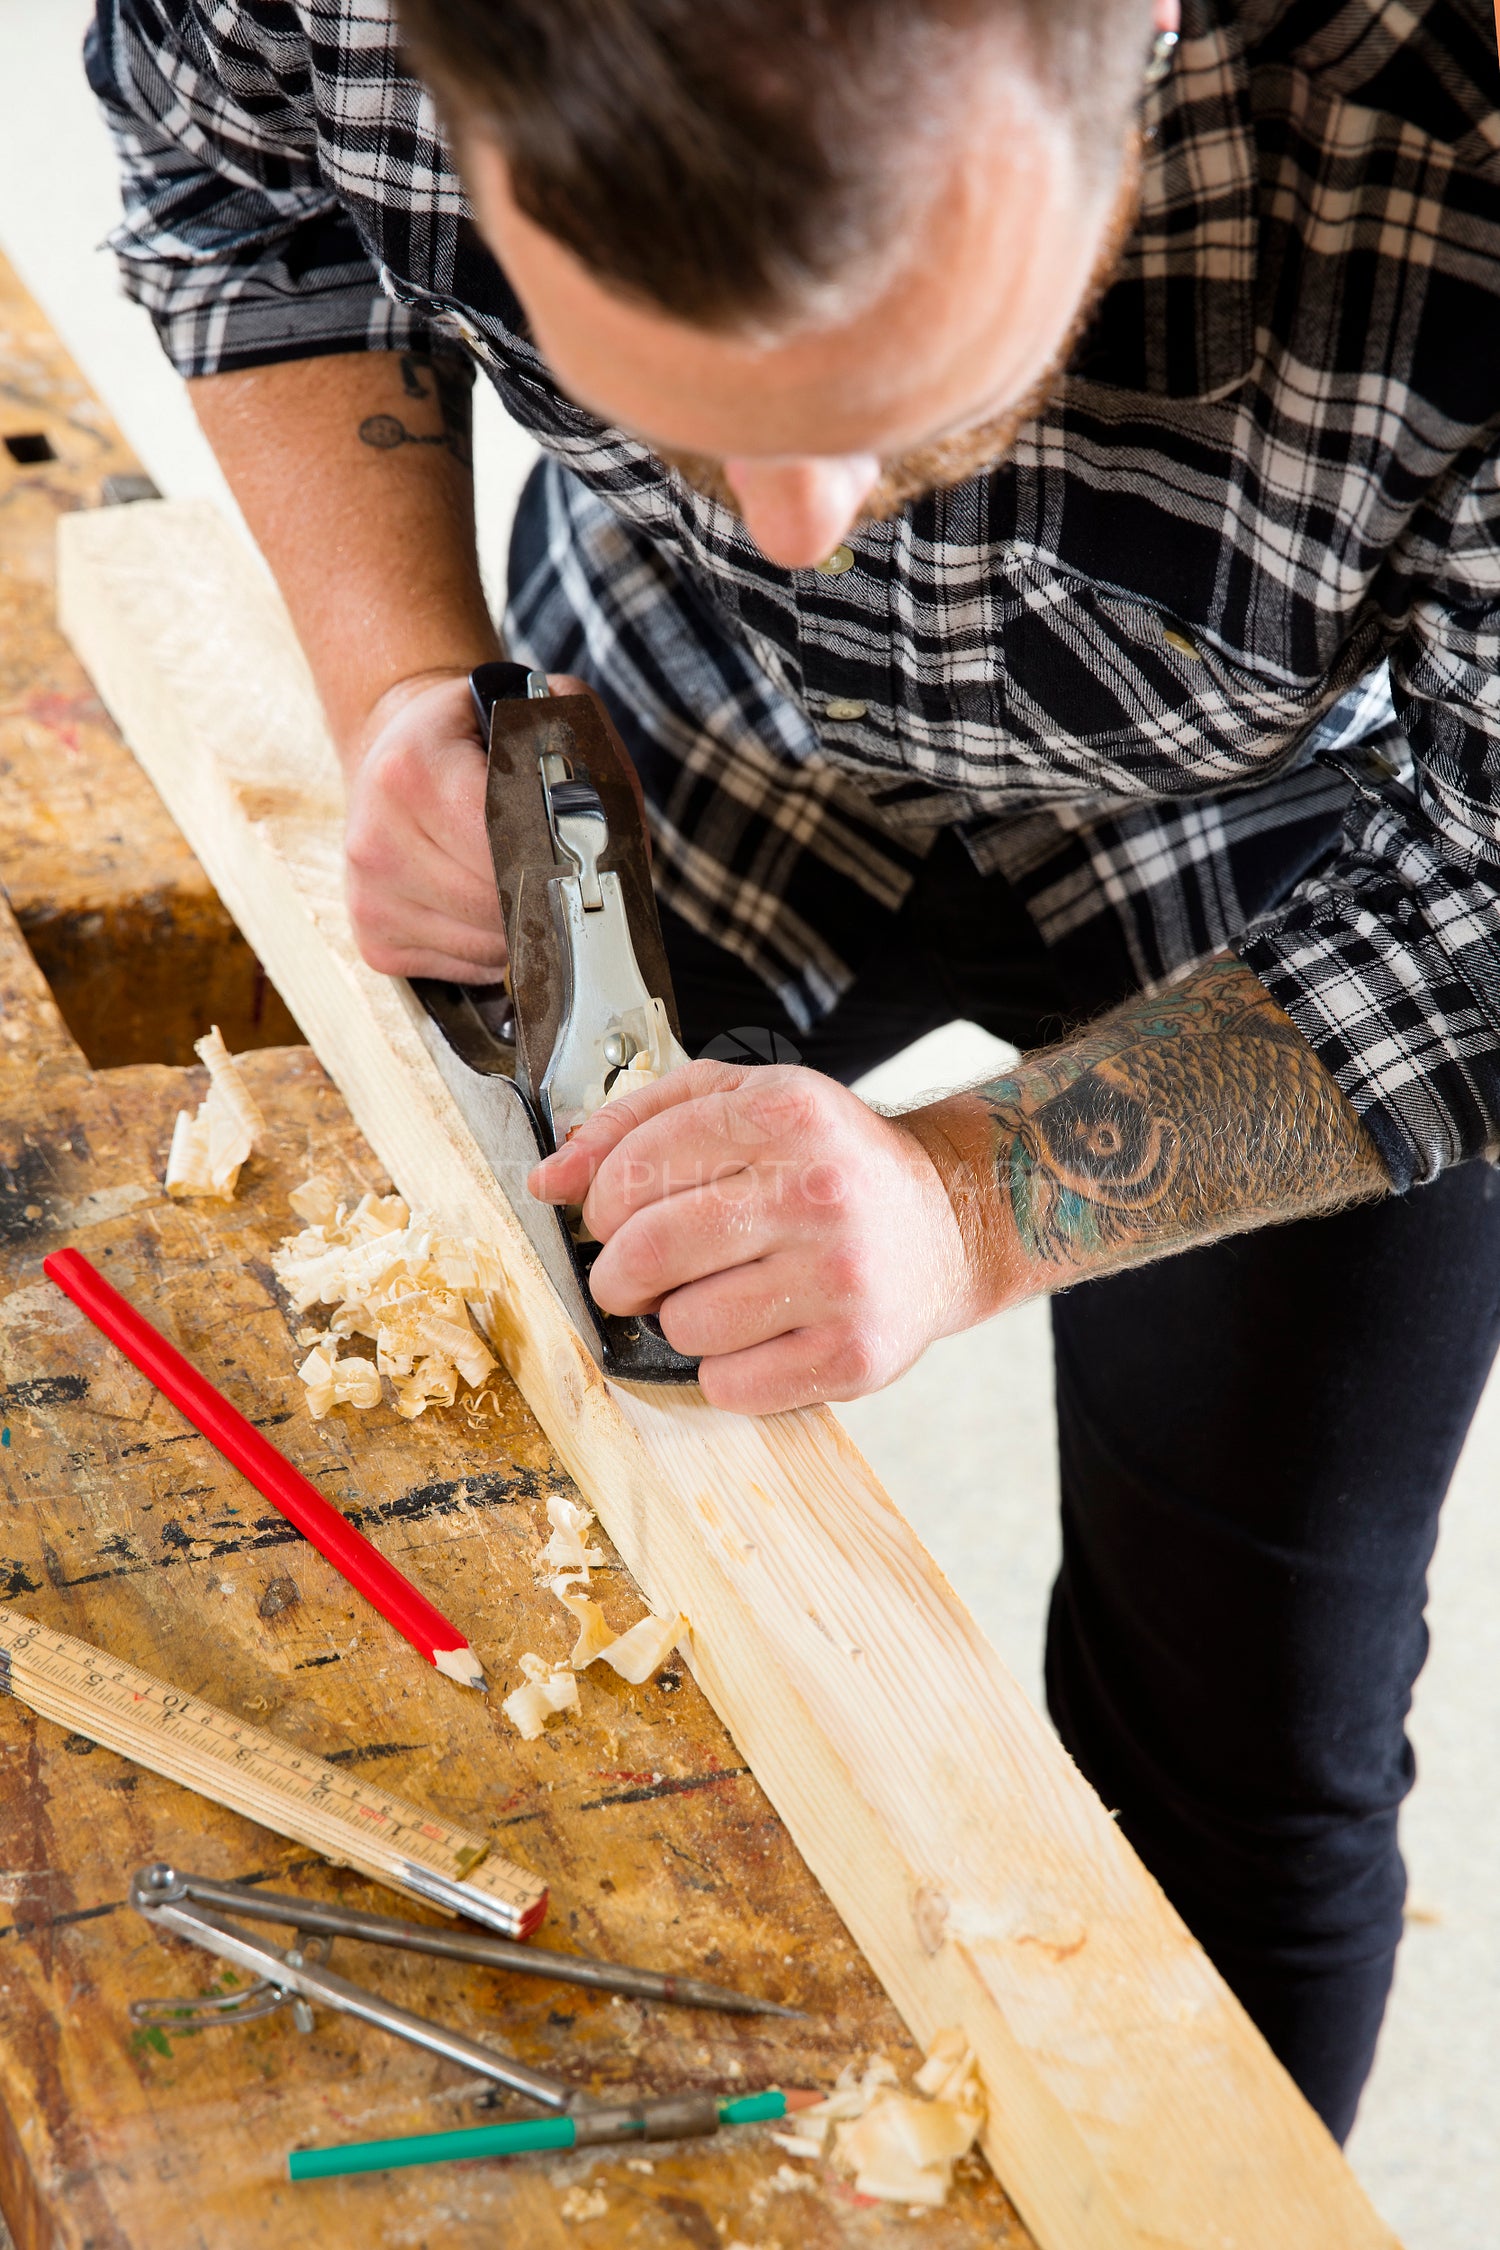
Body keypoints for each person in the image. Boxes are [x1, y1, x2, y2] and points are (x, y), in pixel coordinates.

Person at [88, 0, 1500, 2142]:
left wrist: (969, 1204)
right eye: (673, 395)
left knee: (1249, 1734)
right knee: (468, 1446)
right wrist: (401, 678)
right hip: (669, 726)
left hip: (1302, 853)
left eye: (897, 395)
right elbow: (236, 187)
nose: (799, 528)